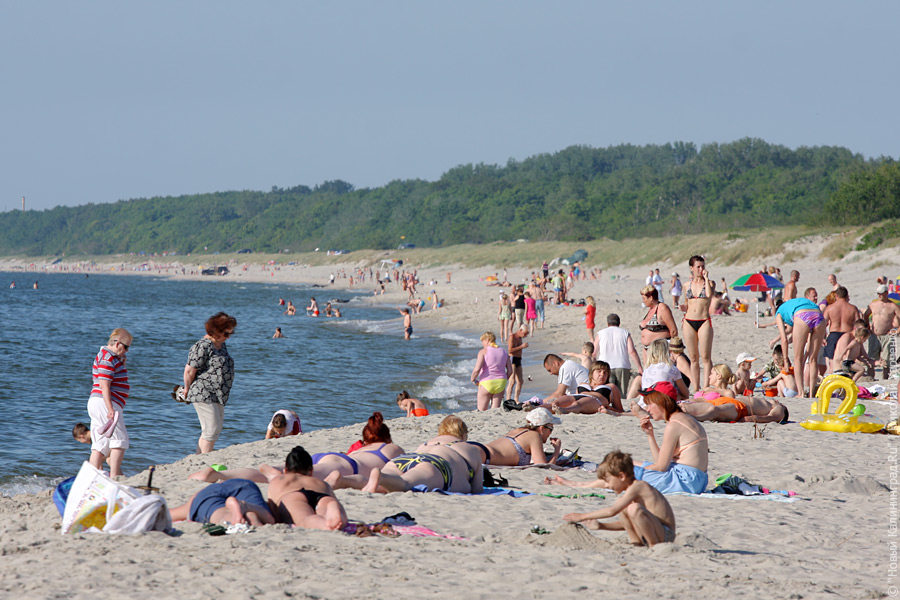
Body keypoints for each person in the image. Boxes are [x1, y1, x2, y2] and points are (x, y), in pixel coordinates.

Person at [328, 415, 484, 494]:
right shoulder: (470, 448)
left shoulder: (427, 443)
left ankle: (343, 480)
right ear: (463, 435)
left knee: (381, 485)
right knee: (405, 483)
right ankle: (381, 476)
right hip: (436, 465)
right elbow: (477, 489)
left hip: (408, 458)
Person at [561, 450, 676, 546]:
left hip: (666, 534)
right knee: (623, 505)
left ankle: (653, 546)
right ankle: (636, 542)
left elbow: (612, 511)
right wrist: (601, 526)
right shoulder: (632, 491)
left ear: (621, 476)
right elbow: (636, 522)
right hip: (655, 529)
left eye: (608, 481)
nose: (607, 485)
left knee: (633, 508)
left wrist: (582, 516)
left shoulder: (638, 486)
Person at [184, 312, 237, 454]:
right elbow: (189, 370)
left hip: (218, 394)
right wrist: (187, 389)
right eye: (226, 333)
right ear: (216, 330)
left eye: (231, 333)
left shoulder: (221, 344)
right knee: (211, 429)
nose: (228, 337)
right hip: (203, 392)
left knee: (216, 428)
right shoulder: (202, 345)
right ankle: (202, 459)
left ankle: (200, 457)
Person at [263, 446, 347, 530]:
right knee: (326, 507)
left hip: (294, 496)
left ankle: (324, 525)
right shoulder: (321, 482)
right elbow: (331, 495)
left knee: (305, 519)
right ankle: (330, 506)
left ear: (285, 471)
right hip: (323, 496)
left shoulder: (277, 480)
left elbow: (273, 510)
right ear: (311, 471)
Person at [86, 328, 132, 477]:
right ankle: (114, 476)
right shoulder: (107, 358)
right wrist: (110, 408)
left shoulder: (110, 357)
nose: (126, 351)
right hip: (105, 403)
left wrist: (122, 365)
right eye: (126, 347)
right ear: (118, 343)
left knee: (100, 443)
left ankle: (92, 475)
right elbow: (104, 384)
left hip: (99, 402)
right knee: (119, 440)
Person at [168, 479, 275, 526]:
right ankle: (247, 509)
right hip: (244, 486)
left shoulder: (192, 504)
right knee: (270, 519)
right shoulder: (193, 502)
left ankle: (246, 511)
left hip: (211, 494)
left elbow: (166, 515)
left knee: (221, 515)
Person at [776, 297, 826, 397]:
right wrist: (807, 353)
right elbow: (808, 338)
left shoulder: (779, 313)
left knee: (797, 358)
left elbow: (784, 339)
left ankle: (801, 393)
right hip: (818, 315)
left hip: (802, 315)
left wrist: (785, 360)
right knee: (813, 360)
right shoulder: (793, 304)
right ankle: (811, 394)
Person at [680, 255, 714, 390]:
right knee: (693, 357)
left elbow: (709, 295)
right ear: (691, 268)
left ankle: (705, 386)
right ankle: (695, 387)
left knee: (705, 357)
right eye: (698, 267)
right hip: (689, 320)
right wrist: (683, 307)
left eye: (703, 266)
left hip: (704, 320)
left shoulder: (710, 283)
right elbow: (686, 303)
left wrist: (705, 278)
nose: (701, 269)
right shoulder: (686, 285)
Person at [486, 408, 562, 466]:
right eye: (551, 429)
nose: (550, 433)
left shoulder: (518, 431)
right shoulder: (535, 435)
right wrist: (556, 451)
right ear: (542, 428)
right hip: (485, 456)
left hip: (483, 451)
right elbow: (543, 467)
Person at [549, 361, 624, 414]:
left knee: (578, 403)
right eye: (599, 371)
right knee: (556, 402)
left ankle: (565, 410)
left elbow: (620, 410)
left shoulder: (611, 386)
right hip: (576, 396)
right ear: (592, 372)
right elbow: (576, 396)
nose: (602, 374)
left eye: (605, 373)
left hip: (595, 400)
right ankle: (539, 408)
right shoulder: (582, 384)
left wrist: (611, 409)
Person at [594, 313, 643, 393]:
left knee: (607, 392)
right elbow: (632, 351)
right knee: (621, 394)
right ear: (619, 323)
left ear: (608, 323)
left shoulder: (601, 333)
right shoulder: (625, 333)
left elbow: (594, 352)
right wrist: (639, 367)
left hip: (605, 366)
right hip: (622, 365)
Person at [863, 284, 900, 378]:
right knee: (871, 358)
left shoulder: (893, 306)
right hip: (874, 335)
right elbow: (866, 315)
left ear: (886, 293)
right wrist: (867, 327)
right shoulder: (873, 305)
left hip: (887, 336)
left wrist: (897, 331)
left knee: (886, 359)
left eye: (881, 294)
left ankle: (885, 378)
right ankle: (871, 378)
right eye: (878, 294)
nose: (879, 296)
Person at [823, 286, 862, 371]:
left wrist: (823, 337)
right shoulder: (853, 308)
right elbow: (859, 325)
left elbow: (823, 324)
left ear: (836, 296)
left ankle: (833, 380)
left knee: (832, 362)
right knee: (847, 361)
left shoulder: (830, 308)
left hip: (833, 334)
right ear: (847, 295)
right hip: (848, 335)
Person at [471, 331, 512, 410]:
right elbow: (510, 371)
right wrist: (503, 379)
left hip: (487, 382)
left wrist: (473, 379)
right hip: (501, 382)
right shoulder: (503, 351)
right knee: (494, 410)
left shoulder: (483, 352)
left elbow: (477, 369)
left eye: (482, 341)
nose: (482, 344)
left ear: (487, 340)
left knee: (481, 410)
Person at [681, 395, 790, 424]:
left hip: (739, 408)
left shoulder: (780, 408)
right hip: (730, 401)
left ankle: (695, 418)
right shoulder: (770, 404)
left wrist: (751, 418)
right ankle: (679, 411)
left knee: (715, 410)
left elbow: (771, 418)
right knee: (691, 406)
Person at [638, 286, 677, 361]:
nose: (643, 301)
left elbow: (673, 331)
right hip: (647, 351)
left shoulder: (662, 308)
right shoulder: (650, 309)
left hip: (660, 350)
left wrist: (672, 350)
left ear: (651, 298)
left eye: (644, 298)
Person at [506, 325, 529, 403]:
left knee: (520, 381)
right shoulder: (512, 337)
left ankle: (516, 399)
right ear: (520, 330)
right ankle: (508, 399)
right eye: (525, 333)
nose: (525, 336)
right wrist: (521, 346)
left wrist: (521, 347)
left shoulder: (520, 338)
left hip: (518, 359)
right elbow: (510, 350)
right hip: (512, 358)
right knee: (512, 380)